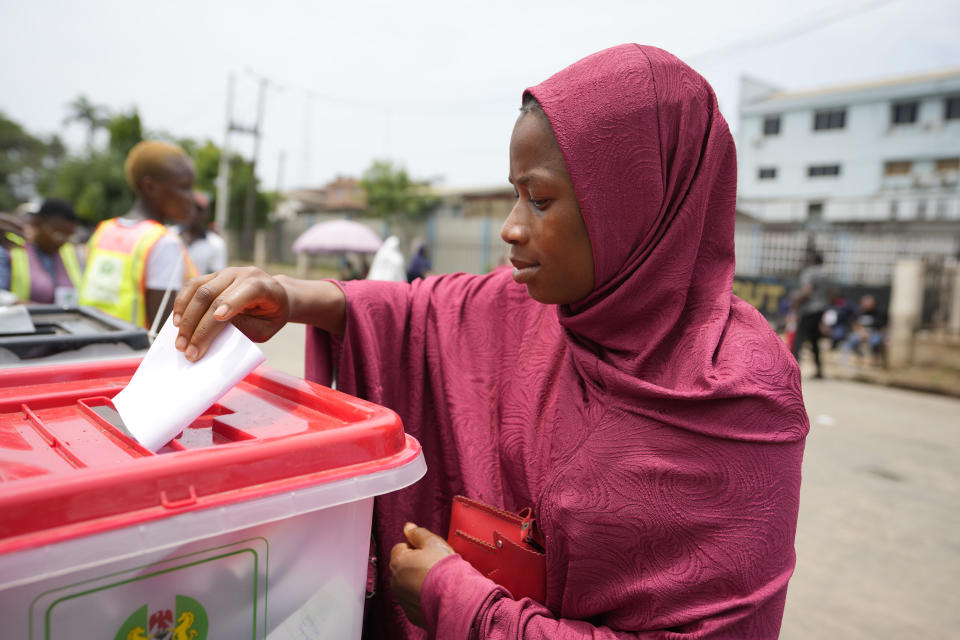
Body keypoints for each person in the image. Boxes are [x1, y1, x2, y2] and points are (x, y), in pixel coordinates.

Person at [172, 44, 808, 638]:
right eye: (514, 195)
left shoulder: (740, 394)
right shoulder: (552, 308)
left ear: (633, 202)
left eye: (539, 199)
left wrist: (463, 604)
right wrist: (287, 295)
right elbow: (423, 311)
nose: (510, 227)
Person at [78, 140, 196, 330]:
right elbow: (163, 330)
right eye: (184, 187)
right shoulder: (163, 242)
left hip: (93, 348)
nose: (192, 198)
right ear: (150, 187)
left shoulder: (104, 231)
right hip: (137, 356)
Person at [0, 198, 84, 304]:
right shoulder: (11, 247)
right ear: (37, 223)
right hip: (18, 319)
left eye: (68, 237)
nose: (62, 242)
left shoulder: (69, 253)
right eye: (57, 235)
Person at [790, 250, 830, 379]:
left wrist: (796, 300)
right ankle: (819, 370)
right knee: (814, 339)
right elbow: (832, 293)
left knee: (799, 339)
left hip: (809, 309)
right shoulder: (825, 275)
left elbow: (807, 291)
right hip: (821, 309)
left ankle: (792, 369)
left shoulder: (809, 272)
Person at [182, 191, 228, 275]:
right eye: (190, 207)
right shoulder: (170, 236)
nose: (193, 212)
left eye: (198, 209)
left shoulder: (216, 244)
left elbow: (216, 277)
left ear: (207, 213)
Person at [843, 294, 887, 366]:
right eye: (865, 303)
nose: (867, 305)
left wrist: (884, 336)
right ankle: (858, 357)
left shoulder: (878, 313)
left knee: (875, 341)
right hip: (860, 333)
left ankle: (875, 360)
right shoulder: (858, 312)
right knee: (852, 339)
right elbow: (854, 323)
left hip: (874, 333)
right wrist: (861, 332)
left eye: (869, 304)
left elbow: (883, 327)